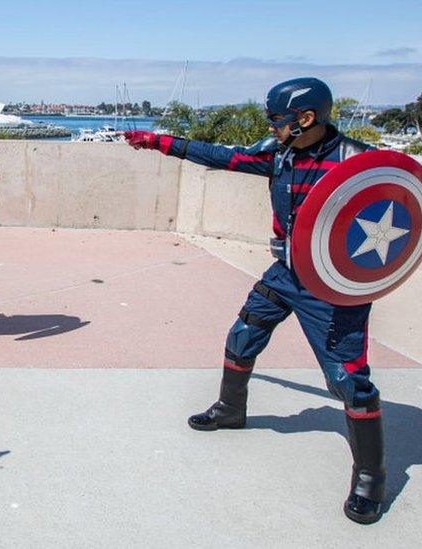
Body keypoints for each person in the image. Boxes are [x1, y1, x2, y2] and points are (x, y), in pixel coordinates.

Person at [124, 78, 386, 524]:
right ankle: (230, 410)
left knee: (349, 381)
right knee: (243, 335)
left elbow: (402, 208)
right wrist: (160, 142)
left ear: (305, 119)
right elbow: (224, 157)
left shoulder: (360, 163)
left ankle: (370, 477)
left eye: (276, 119)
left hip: (333, 288)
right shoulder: (279, 152)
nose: (271, 126)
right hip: (284, 273)